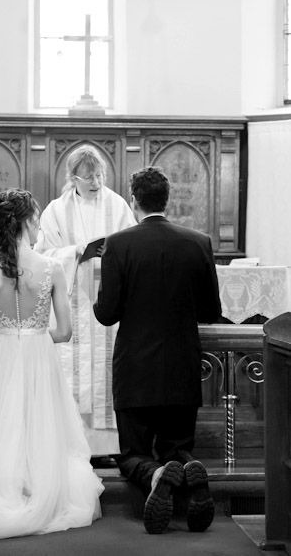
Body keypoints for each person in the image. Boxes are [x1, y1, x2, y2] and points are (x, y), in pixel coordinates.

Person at [0, 189, 103, 543]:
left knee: (2, 420)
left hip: (2, 354)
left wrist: (4, 333)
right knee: (38, 418)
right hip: (38, 353)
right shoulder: (51, 268)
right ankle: (36, 485)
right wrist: (31, 332)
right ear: (29, 222)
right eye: (37, 219)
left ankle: (1, 484)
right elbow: (63, 332)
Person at [93, 166, 222, 534]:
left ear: (133, 201)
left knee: (132, 453)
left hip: (135, 370)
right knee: (178, 446)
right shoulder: (198, 242)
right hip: (182, 368)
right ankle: (184, 471)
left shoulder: (118, 244)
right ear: (166, 200)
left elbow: (106, 314)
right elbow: (212, 311)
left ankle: (157, 475)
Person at [37, 145, 136, 459]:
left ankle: (108, 448)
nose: (96, 182)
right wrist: (77, 252)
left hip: (109, 299)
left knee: (106, 370)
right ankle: (73, 444)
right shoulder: (55, 210)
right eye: (89, 177)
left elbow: (134, 244)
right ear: (73, 178)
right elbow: (42, 256)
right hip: (73, 301)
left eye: (100, 175)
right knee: (72, 373)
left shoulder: (117, 205)